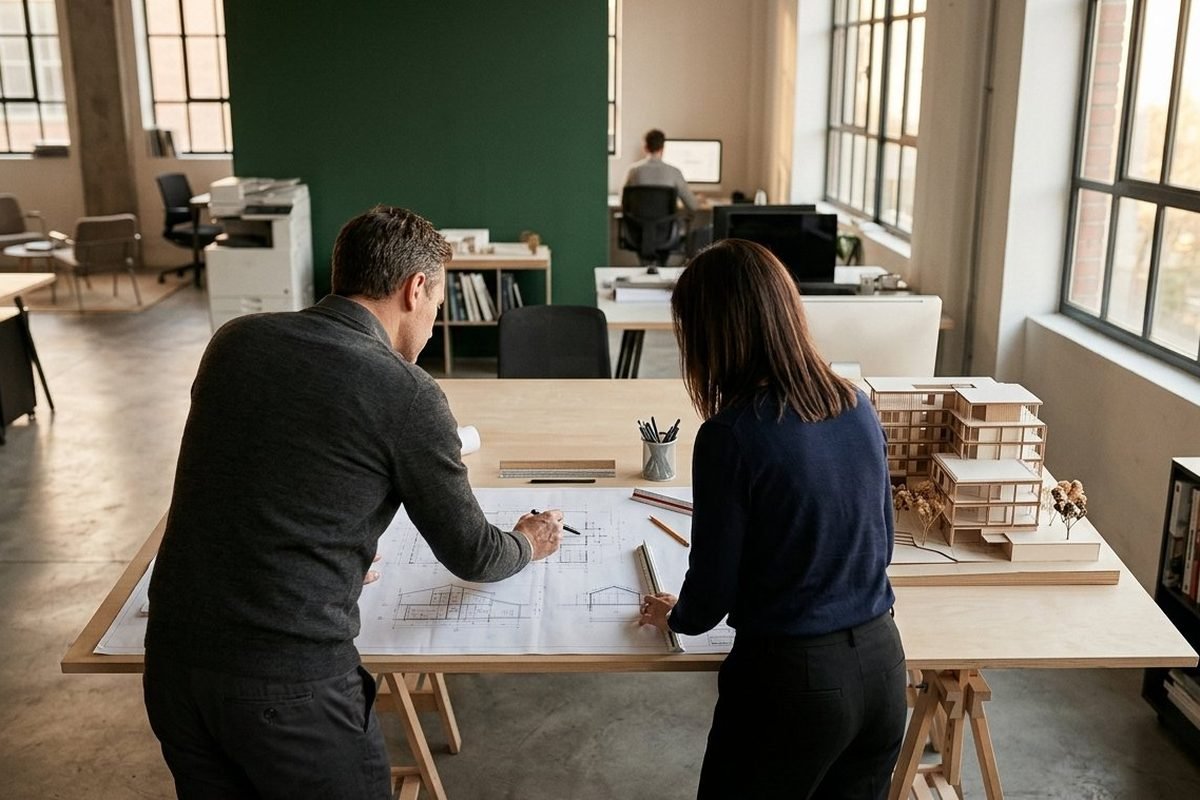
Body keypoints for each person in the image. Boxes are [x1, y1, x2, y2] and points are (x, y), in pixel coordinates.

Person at [143, 205, 565, 799]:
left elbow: (257, 470)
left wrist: (328, 549)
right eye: (438, 306)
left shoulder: (236, 341)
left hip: (172, 666)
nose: (433, 322)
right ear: (415, 289)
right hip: (287, 685)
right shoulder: (406, 391)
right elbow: (474, 554)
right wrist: (529, 540)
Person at [639, 239, 906, 799]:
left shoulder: (730, 436)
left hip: (793, 684)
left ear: (715, 335)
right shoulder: (855, 404)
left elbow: (711, 591)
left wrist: (677, 616)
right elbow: (881, 541)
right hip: (883, 669)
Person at [623, 128, 700, 215]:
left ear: (645, 148)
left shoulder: (633, 171)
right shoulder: (674, 172)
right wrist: (697, 199)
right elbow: (693, 206)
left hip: (637, 226)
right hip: (665, 227)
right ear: (663, 148)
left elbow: (623, 201)